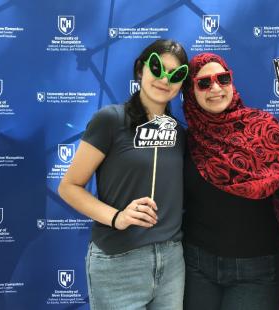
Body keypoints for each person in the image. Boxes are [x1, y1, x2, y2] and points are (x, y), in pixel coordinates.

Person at [182, 53, 279, 310]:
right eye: (204, 83)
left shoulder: (263, 128)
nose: (215, 88)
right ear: (191, 92)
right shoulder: (187, 141)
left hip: (256, 272)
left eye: (222, 79)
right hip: (197, 268)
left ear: (232, 84)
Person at [58, 39, 189, 310]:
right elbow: (69, 186)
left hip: (172, 262)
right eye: (157, 68)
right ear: (141, 69)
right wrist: (117, 217)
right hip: (119, 261)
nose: (165, 79)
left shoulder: (178, 133)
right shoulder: (110, 120)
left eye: (175, 74)